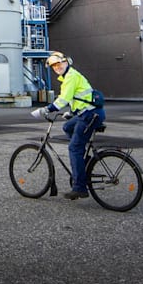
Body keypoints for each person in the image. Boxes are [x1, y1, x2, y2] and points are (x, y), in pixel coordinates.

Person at [29, 51, 105, 199]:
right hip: (87, 112)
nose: (57, 67)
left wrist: (45, 110)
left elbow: (62, 100)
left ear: (66, 62)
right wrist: (71, 112)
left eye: (59, 64)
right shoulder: (69, 77)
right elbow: (77, 97)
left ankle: (79, 188)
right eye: (54, 66)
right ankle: (83, 161)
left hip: (90, 115)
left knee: (74, 148)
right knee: (67, 127)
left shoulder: (70, 77)